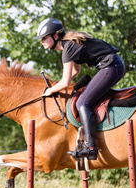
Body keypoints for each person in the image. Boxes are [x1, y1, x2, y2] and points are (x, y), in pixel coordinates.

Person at [36, 18, 125, 160]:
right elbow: (74, 73)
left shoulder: (68, 48)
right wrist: (58, 85)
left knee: (82, 103)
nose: (41, 41)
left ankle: (90, 148)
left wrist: (51, 90)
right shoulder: (69, 46)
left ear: (56, 36)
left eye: (44, 38)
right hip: (112, 65)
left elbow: (65, 81)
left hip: (111, 67)